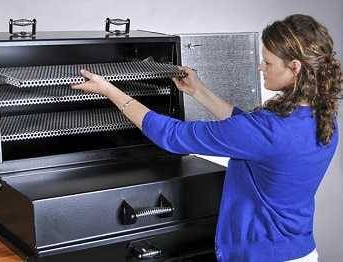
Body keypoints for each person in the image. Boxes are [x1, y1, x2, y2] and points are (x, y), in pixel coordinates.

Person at [71, 14, 342, 262]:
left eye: (268, 62)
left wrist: (111, 91)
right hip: (300, 250)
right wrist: (199, 91)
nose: (261, 67)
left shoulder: (268, 131)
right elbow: (247, 131)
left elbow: (172, 135)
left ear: (294, 67)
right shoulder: (323, 117)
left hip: (262, 254)